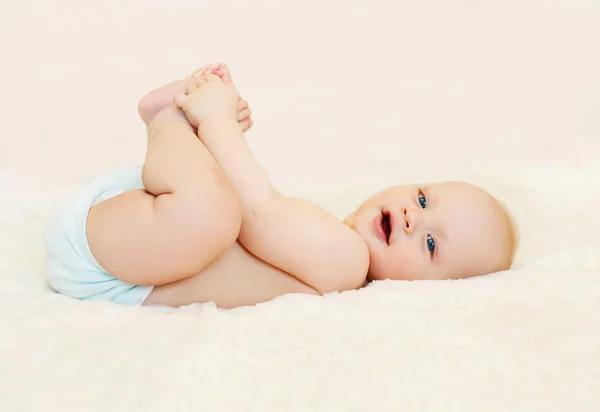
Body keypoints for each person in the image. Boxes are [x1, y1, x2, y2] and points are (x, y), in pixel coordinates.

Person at [44, 63, 518, 309]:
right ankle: (172, 126)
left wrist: (217, 124)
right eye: (422, 198)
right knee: (213, 210)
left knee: (214, 211)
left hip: (118, 265)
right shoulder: (335, 242)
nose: (415, 217)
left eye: (431, 243)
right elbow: (256, 209)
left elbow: (258, 211)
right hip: (131, 238)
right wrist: (219, 130)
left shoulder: (346, 264)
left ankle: (169, 122)